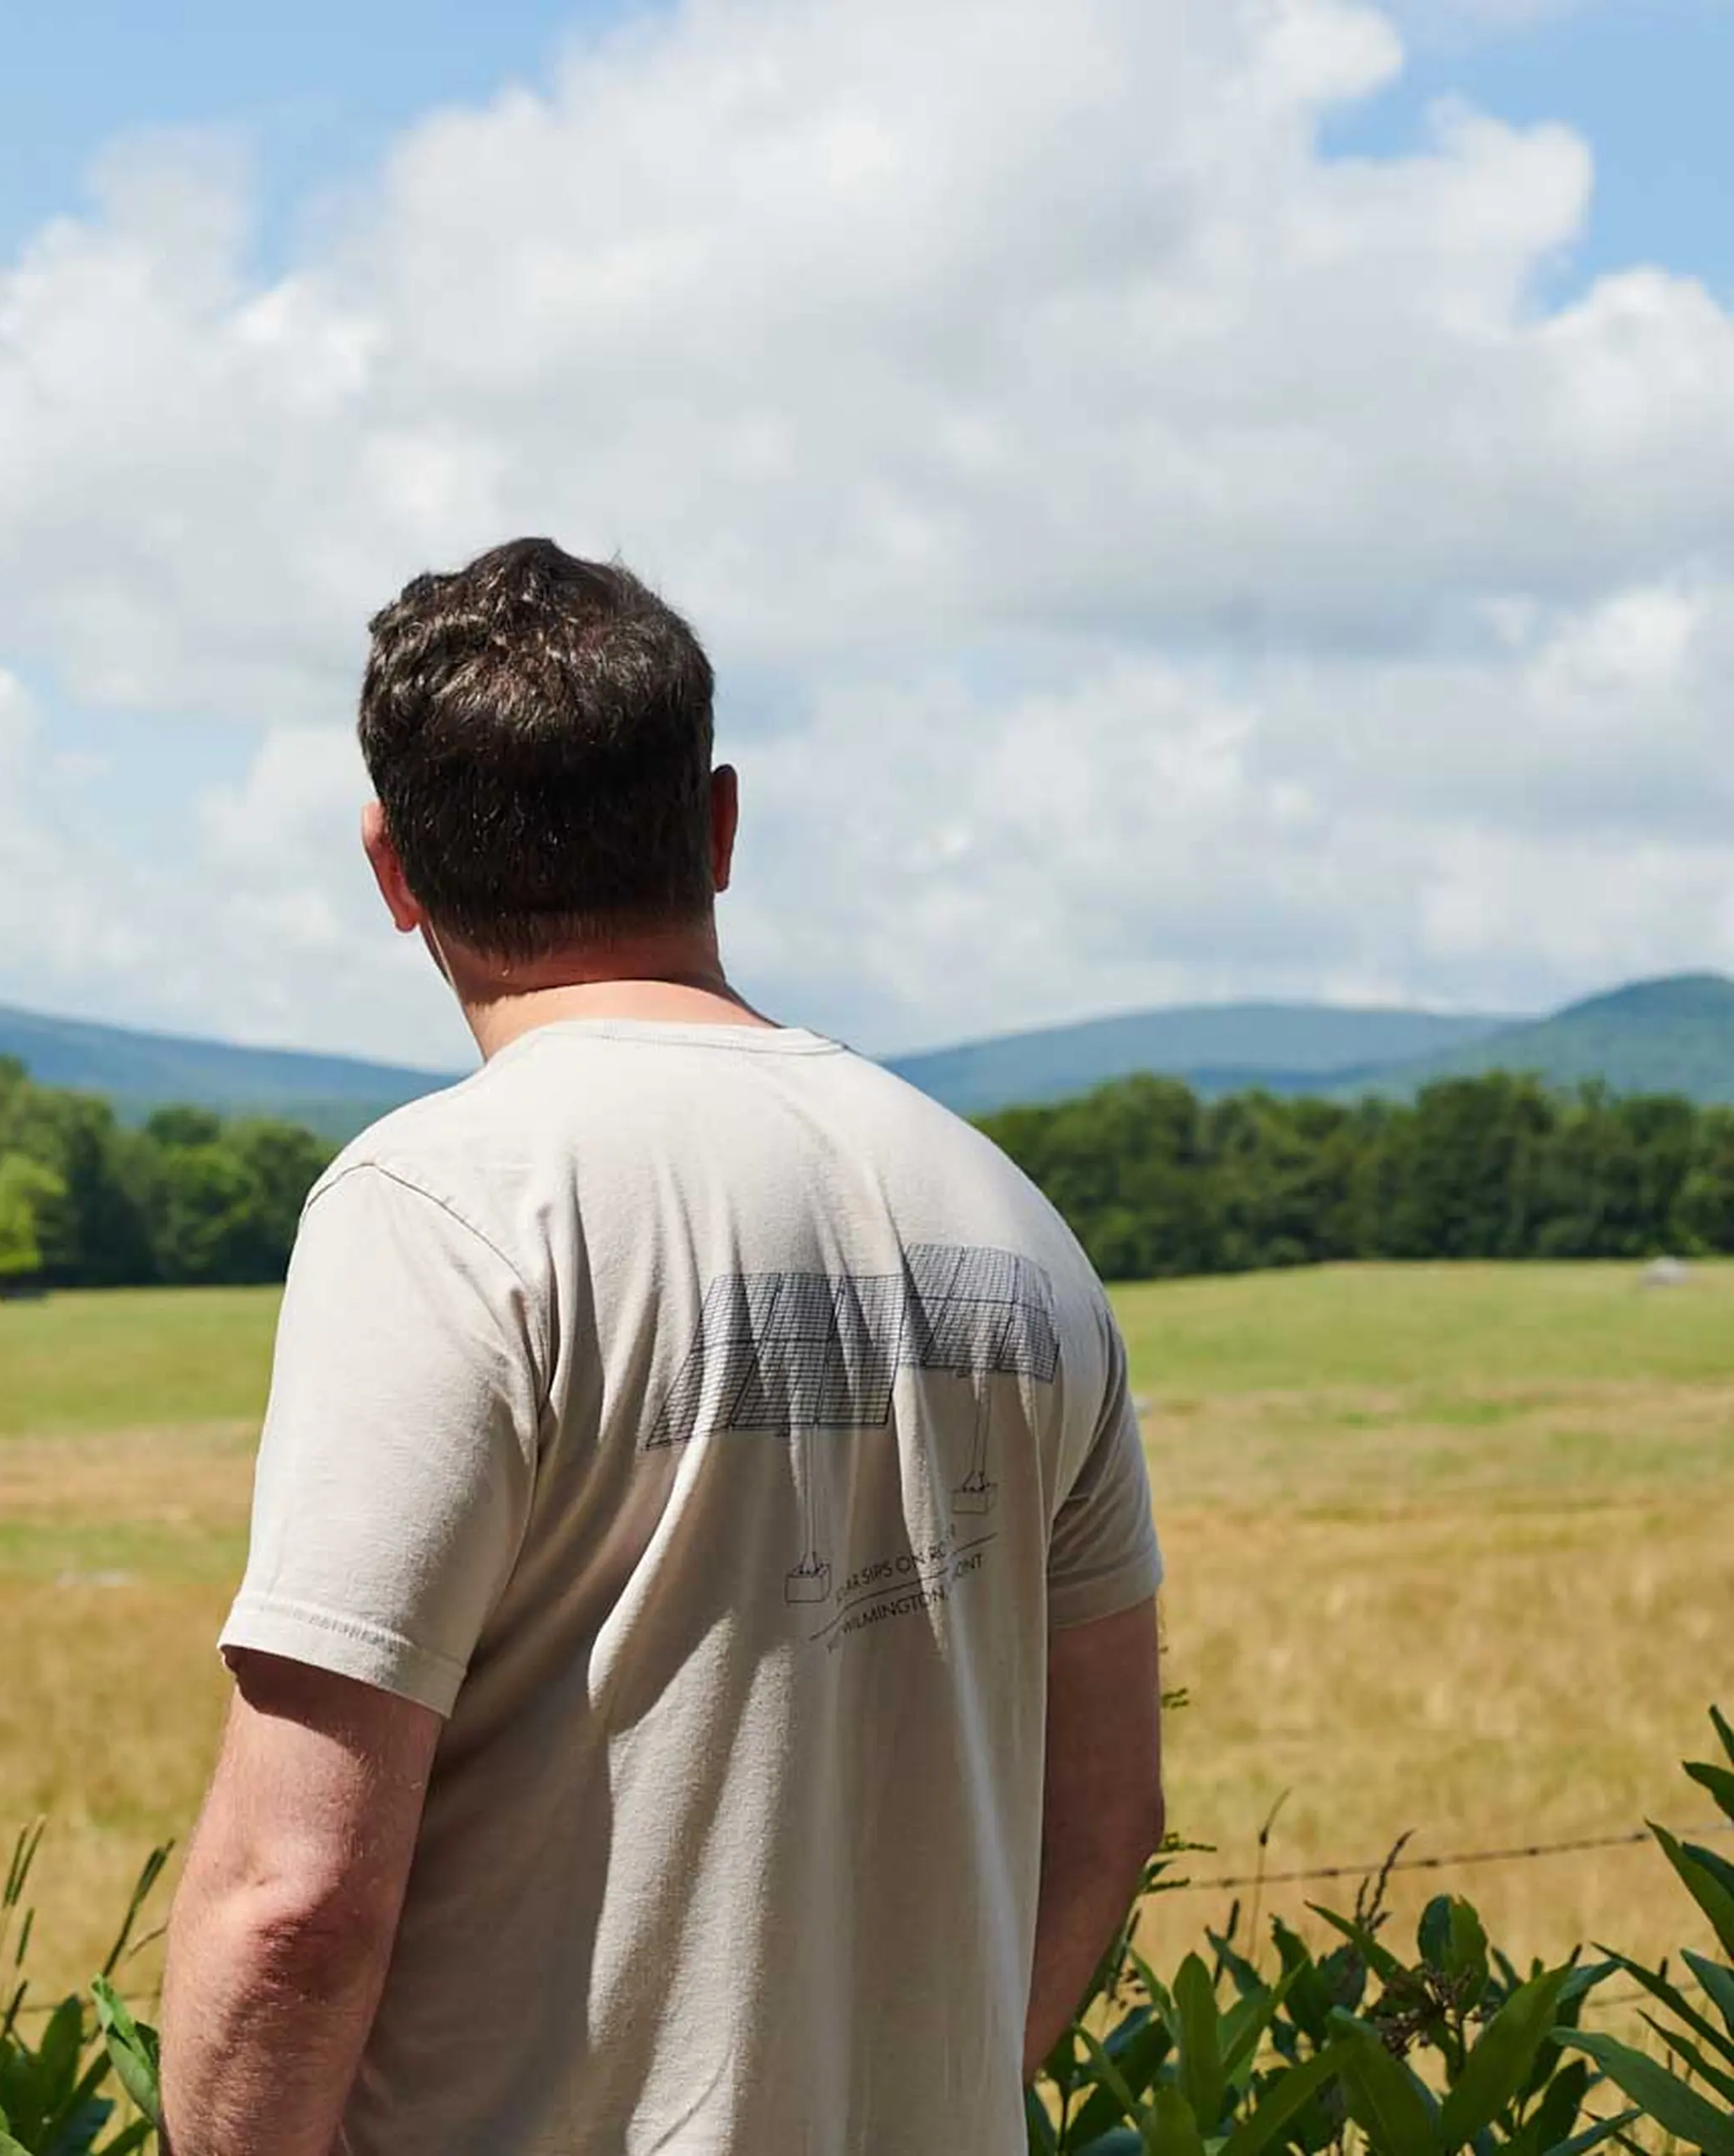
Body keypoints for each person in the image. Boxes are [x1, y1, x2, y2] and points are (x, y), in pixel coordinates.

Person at [160, 540, 1168, 2153]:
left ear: (390, 867)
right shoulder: (1005, 1212)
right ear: (717, 826)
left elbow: (296, 1898)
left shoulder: (442, 1210)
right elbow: (1108, 1817)